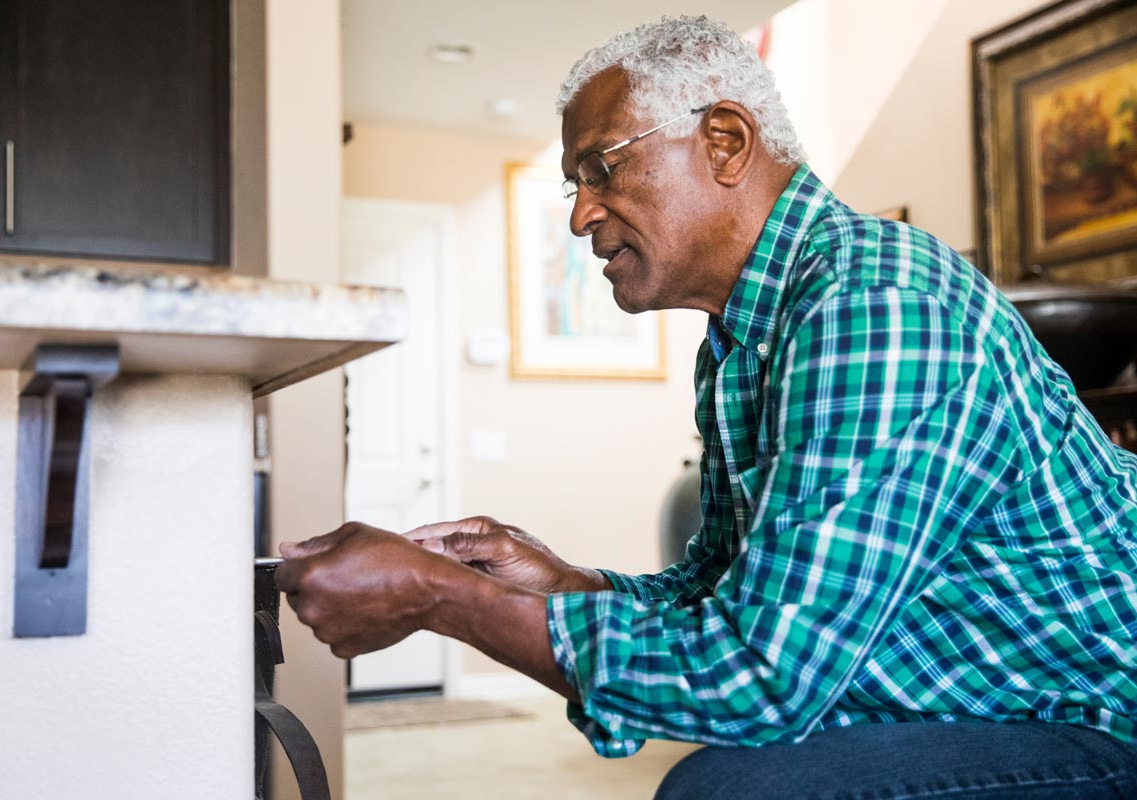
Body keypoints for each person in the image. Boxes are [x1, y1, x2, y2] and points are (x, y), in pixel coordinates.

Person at [276, 15, 1137, 798]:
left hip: (1096, 723)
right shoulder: (745, 336)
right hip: (1001, 702)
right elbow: (727, 592)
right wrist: (567, 584)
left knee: (728, 793)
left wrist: (443, 601)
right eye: (573, 182)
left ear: (725, 141)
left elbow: (762, 678)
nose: (579, 216)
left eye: (601, 168)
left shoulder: (874, 304)